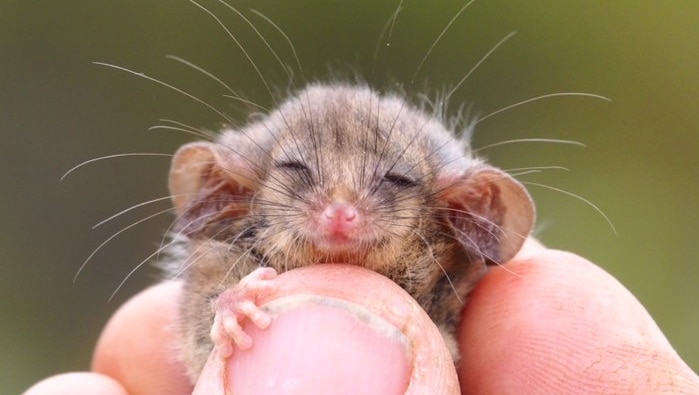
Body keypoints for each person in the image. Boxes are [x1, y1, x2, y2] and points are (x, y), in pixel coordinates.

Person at [23, 240, 699, 394]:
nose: (341, 215)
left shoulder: (455, 269)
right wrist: (225, 306)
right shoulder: (228, 256)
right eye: (301, 172)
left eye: (389, 184)